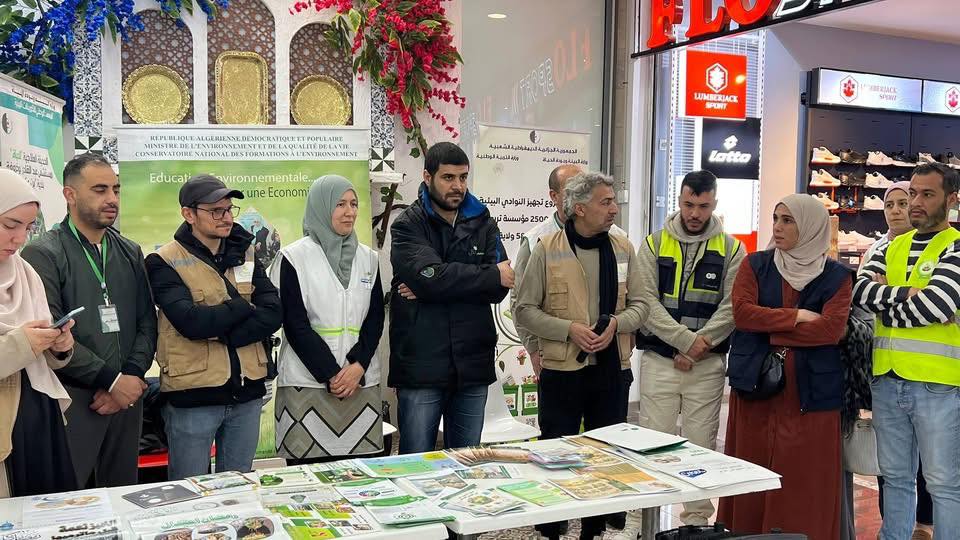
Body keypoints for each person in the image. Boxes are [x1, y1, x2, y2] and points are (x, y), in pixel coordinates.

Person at [515, 171, 648, 540]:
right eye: (606, 202)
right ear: (579, 208)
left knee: (606, 454)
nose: (614, 209)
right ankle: (552, 529)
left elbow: (641, 306)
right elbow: (524, 310)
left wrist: (617, 323)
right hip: (562, 370)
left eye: (614, 201)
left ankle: (594, 529)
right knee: (557, 451)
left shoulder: (623, 248)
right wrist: (568, 329)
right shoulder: (546, 248)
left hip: (612, 369)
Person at [719, 194, 852, 540]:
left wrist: (769, 330)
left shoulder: (837, 276)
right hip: (757, 389)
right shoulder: (755, 264)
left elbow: (830, 330)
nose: (777, 227)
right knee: (751, 472)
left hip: (811, 396)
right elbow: (743, 314)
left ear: (810, 227)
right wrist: (796, 317)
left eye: (788, 220)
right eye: (776, 218)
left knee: (805, 479)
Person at [21, 154, 157, 489]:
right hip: (74, 399)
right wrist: (111, 381)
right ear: (70, 194)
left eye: (116, 189)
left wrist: (131, 377)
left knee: (124, 495)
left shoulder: (129, 250)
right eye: (100, 189)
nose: (112, 198)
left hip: (127, 398)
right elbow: (51, 334)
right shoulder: (43, 253)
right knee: (69, 502)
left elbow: (147, 321)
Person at [145, 174, 282, 480]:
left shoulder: (246, 252)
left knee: (238, 491)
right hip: (193, 396)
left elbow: (273, 312)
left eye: (229, 209)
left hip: (247, 393)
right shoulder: (163, 260)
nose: (226, 218)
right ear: (188, 214)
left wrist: (226, 332)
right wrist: (242, 307)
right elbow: (191, 322)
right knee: (189, 493)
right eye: (216, 211)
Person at [853, 163, 960, 539]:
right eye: (913, 193)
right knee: (895, 477)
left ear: (951, 199)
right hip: (887, 380)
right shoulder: (889, 246)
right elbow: (860, 292)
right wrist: (909, 294)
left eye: (927, 194)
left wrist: (888, 304)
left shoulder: (956, 247)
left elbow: (936, 305)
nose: (915, 202)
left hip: (939, 385)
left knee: (944, 483)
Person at [634, 170, 744, 527]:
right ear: (679, 201)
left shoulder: (732, 249)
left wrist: (699, 347)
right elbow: (645, 302)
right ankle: (648, 521)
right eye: (688, 204)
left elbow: (732, 306)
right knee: (653, 446)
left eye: (703, 206)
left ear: (714, 203)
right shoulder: (654, 244)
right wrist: (685, 342)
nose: (695, 213)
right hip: (660, 361)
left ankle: (696, 523)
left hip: (706, 365)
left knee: (700, 448)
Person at [389, 142, 512, 454]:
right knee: (416, 464)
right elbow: (430, 279)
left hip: (472, 363)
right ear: (427, 177)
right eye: (448, 177)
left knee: (467, 462)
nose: (457, 185)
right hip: (421, 364)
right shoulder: (407, 224)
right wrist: (485, 276)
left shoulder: (483, 221)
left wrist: (437, 282)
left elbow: (501, 286)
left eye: (463, 177)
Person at [270, 175, 385, 463]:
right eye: (340, 204)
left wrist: (358, 366)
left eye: (354, 204)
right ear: (321, 207)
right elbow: (295, 324)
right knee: (308, 476)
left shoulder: (369, 258)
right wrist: (332, 374)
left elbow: (375, 318)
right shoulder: (293, 258)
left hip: (359, 382)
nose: (350, 212)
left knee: (359, 477)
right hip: (307, 383)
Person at [846, 181, 933, 540]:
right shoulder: (876, 251)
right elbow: (863, 301)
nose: (896, 210)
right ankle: (894, 527)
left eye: (902, 202)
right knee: (891, 461)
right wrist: (902, 296)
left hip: (928, 372)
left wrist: (887, 295)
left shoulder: (933, 250)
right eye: (889, 204)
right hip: (882, 367)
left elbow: (932, 306)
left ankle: (924, 525)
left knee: (929, 459)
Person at [510, 163, 626, 378]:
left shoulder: (619, 239)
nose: (580, 190)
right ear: (554, 196)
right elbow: (521, 303)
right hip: (558, 361)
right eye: (572, 186)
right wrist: (534, 350)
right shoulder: (537, 241)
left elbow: (636, 298)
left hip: (611, 358)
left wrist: (625, 330)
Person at [0, 169, 75, 497]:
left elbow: (42, 355)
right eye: (10, 225)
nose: (19, 239)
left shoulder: (24, 272)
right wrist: (22, 344)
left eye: (28, 228)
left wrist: (58, 345)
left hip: (38, 415)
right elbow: (21, 344)